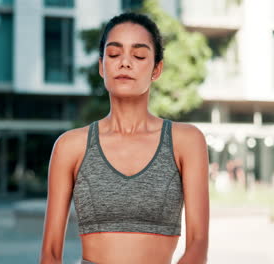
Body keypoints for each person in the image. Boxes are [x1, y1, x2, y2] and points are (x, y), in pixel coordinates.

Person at [39, 12, 209, 264]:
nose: (125, 63)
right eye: (114, 54)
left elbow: (198, 244)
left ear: (156, 69)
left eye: (139, 55)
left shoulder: (186, 142)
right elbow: (50, 253)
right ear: (101, 66)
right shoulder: (70, 146)